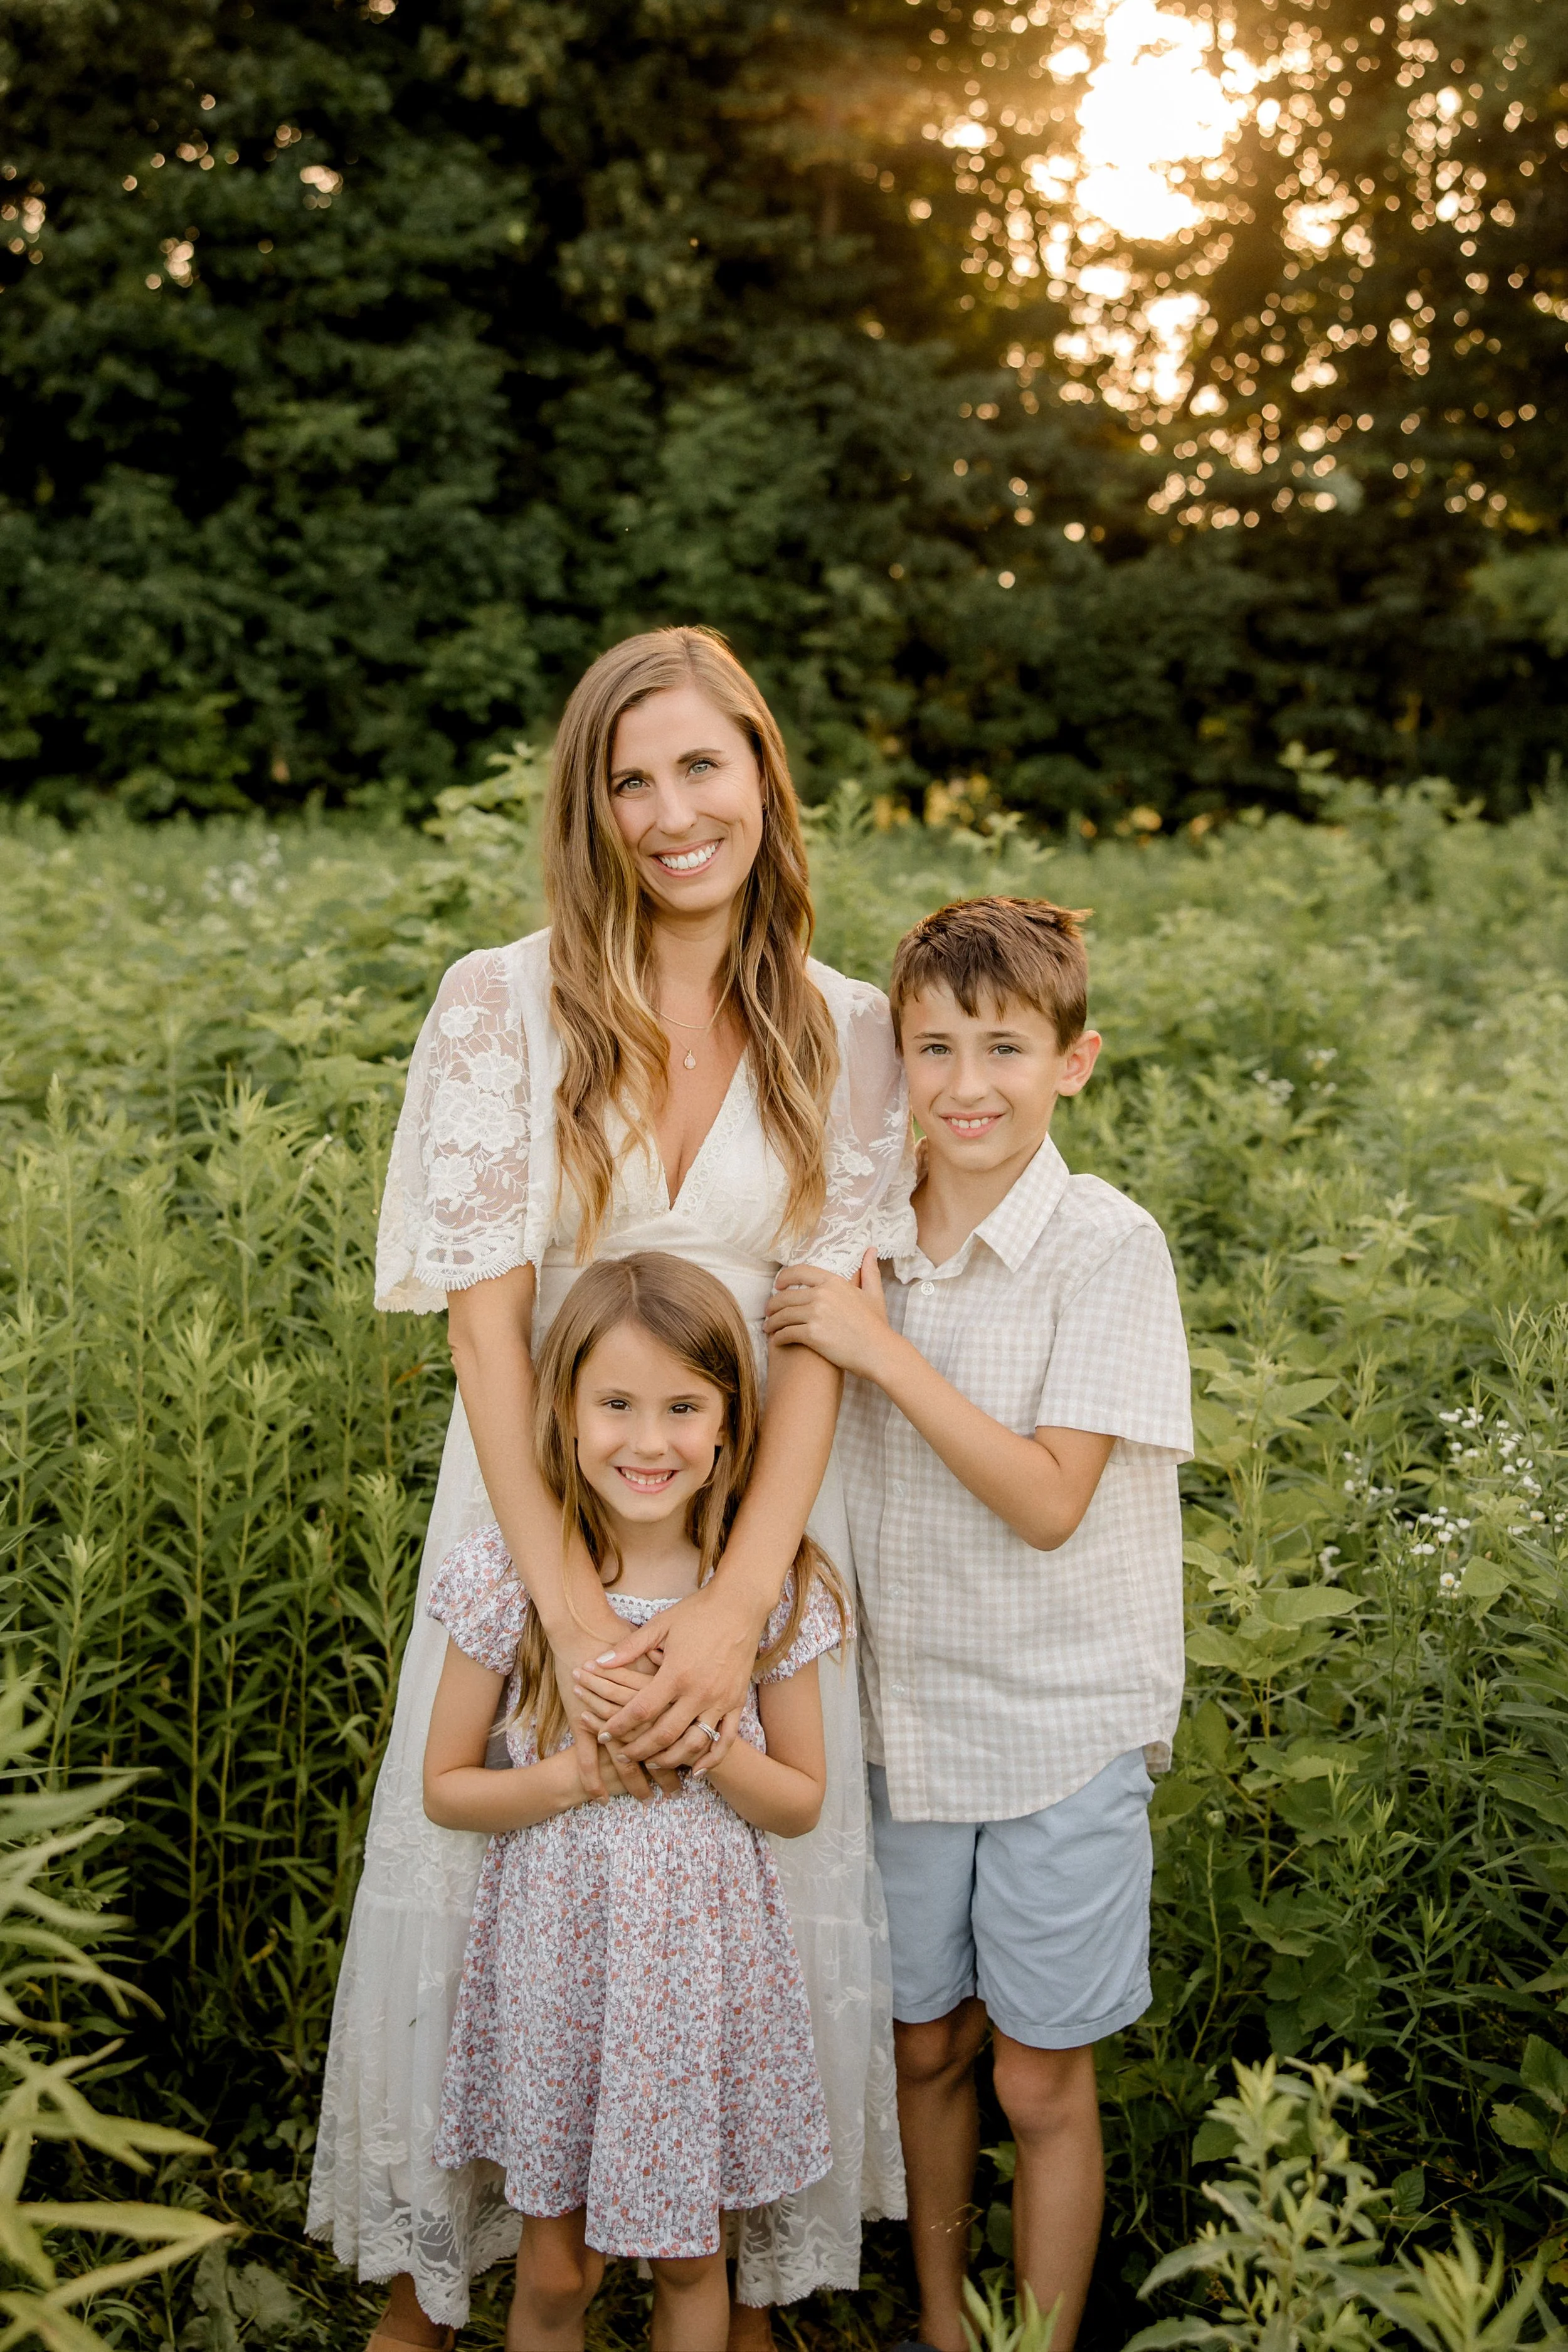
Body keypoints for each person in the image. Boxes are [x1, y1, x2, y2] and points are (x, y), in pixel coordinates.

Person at [307, 627, 907, 2344]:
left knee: (727, 1882)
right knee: (502, 1869)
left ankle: (709, 2269)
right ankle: (450, 2286)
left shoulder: (848, 1028)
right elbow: (487, 1331)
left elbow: (821, 1337)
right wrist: (566, 1607)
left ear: (761, 772)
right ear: (589, 808)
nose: (666, 812)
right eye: (626, 781)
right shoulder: (499, 1001)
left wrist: (735, 1608)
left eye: (699, 765)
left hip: (751, 1511)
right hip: (533, 1506)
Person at [764, 896, 1192, 2352]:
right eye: (933, 1047)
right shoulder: (853, 1238)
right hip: (896, 1721)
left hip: (1058, 1724)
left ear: (1072, 1061)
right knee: (925, 2045)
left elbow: (1050, 1500)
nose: (965, 1084)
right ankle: (943, 2327)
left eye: (1004, 1048)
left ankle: (1039, 2342)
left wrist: (879, 1352)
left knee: (1035, 2073)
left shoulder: (1102, 1245)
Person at [423, 1254, 845, 2352]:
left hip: (698, 1978)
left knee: (692, 2255)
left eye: (683, 1408)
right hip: (558, 1970)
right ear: (563, 1413)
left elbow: (801, 1800)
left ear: (731, 1422)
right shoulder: (511, 1580)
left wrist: (711, 1746)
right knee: (555, 2267)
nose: (648, 1441)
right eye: (615, 1404)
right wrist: (572, 1776)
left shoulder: (768, 1589)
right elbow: (446, 1787)